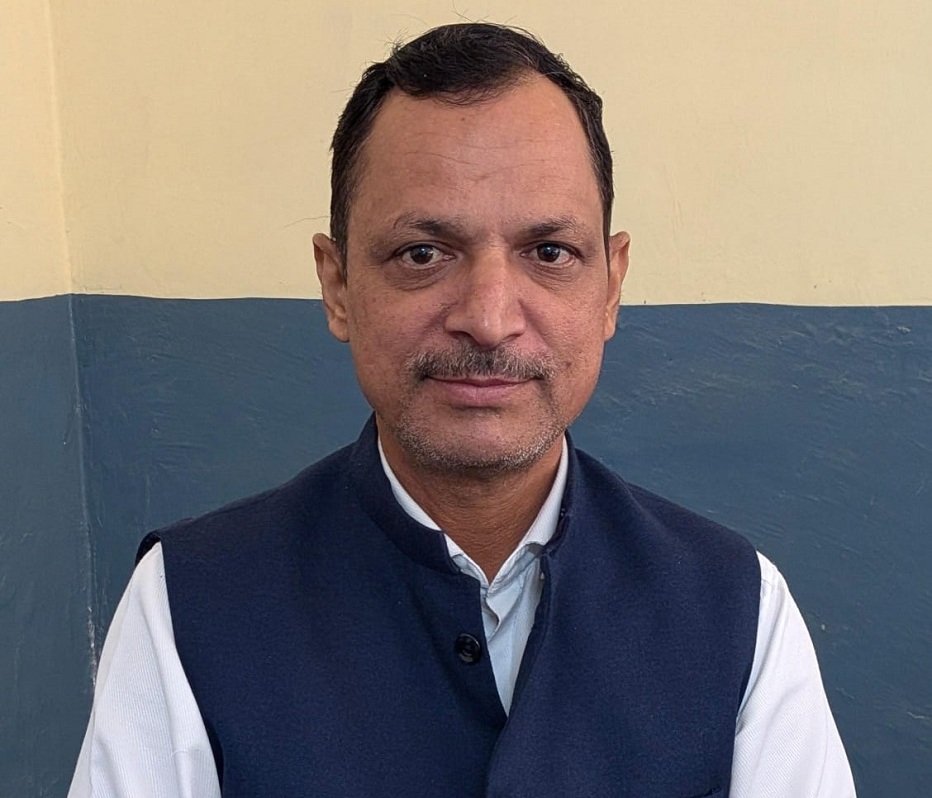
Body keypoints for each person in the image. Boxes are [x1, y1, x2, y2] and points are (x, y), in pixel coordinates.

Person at [69, 22, 856, 797]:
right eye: (423, 253)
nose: (488, 316)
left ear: (611, 286)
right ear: (337, 285)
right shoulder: (187, 608)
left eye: (549, 252)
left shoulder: (738, 612)